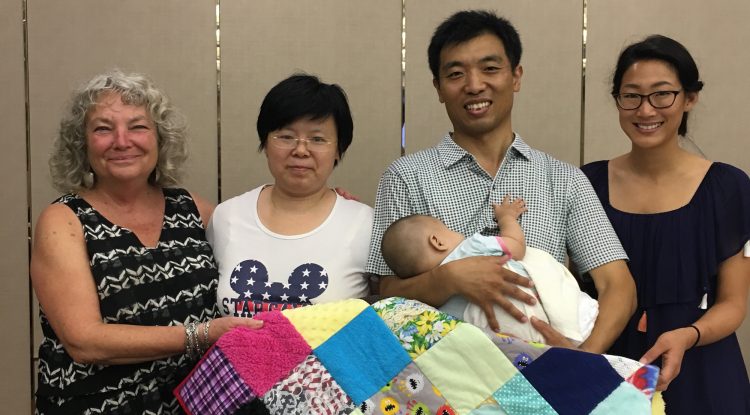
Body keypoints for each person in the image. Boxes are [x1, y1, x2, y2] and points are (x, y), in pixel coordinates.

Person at [366, 9, 636, 353]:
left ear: (516, 76)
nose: (475, 84)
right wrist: (446, 279)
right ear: (438, 87)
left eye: (490, 69)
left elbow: (617, 285)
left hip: (549, 375)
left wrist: (582, 358)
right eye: (455, 73)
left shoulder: (563, 178)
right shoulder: (405, 177)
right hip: (446, 382)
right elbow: (383, 293)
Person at [30, 70, 263, 414]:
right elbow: (84, 342)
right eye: (103, 128)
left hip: (194, 404)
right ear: (82, 143)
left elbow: (268, 244)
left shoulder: (193, 209)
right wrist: (202, 334)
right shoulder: (64, 221)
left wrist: (321, 202)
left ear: (160, 138)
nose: (122, 141)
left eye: (138, 126)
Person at [581, 35, 750, 413]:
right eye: (632, 96)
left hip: (701, 369)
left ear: (689, 98)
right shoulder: (586, 183)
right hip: (610, 369)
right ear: (618, 101)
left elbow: (734, 304)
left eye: (662, 94)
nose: (645, 110)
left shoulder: (728, 187)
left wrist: (688, 336)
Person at [208, 74, 373, 318]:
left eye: (317, 139)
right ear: (265, 143)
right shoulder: (227, 216)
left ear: (338, 150)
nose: (301, 150)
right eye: (286, 137)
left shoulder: (365, 223)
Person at [381, 197, 598, 344]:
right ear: (437, 241)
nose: (457, 233)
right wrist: (507, 218)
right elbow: (516, 246)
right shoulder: (471, 247)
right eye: (449, 229)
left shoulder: (436, 305)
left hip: (513, 349)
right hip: (562, 321)